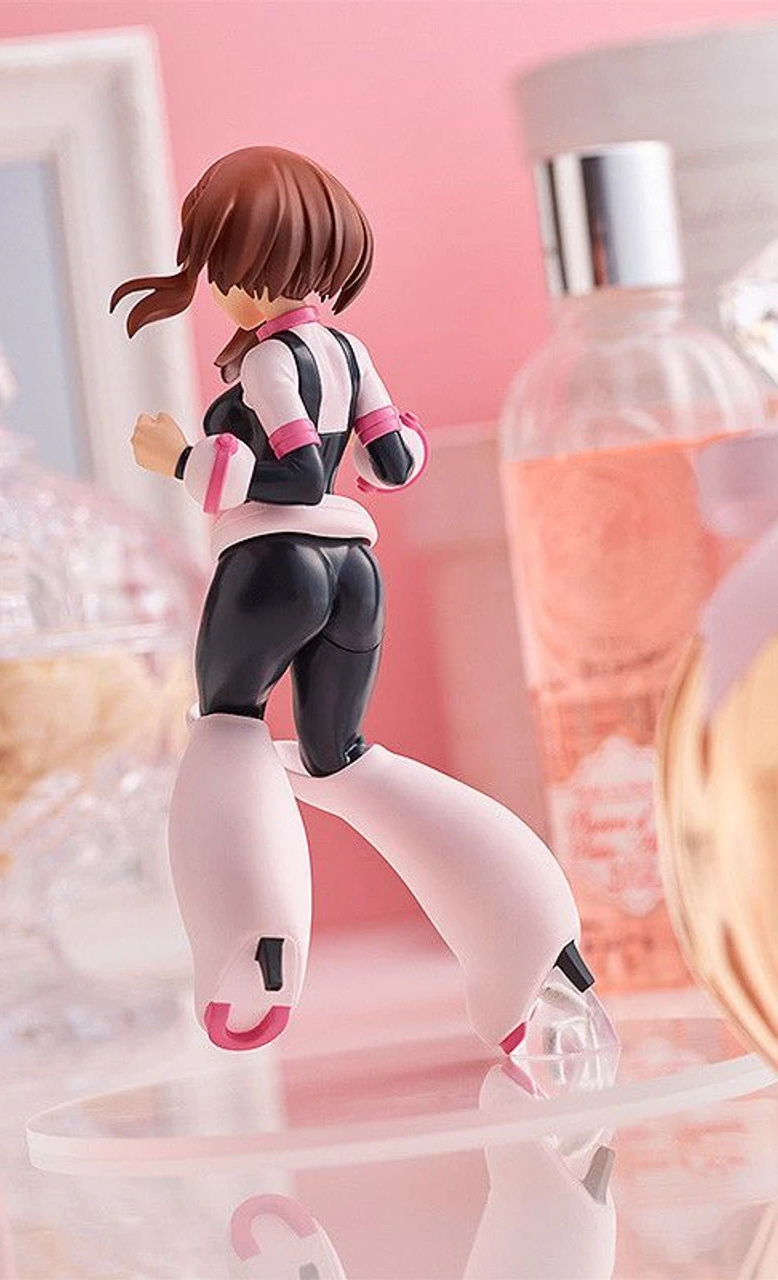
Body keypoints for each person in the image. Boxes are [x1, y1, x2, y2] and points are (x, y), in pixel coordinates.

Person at [112, 146, 601, 1055]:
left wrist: (181, 458)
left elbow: (294, 476)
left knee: (227, 725)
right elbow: (396, 460)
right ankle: (526, 934)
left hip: (274, 566)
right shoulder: (349, 351)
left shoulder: (269, 362)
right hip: (355, 576)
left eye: (218, 262)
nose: (216, 286)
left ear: (248, 261)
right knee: (339, 760)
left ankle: (252, 960)